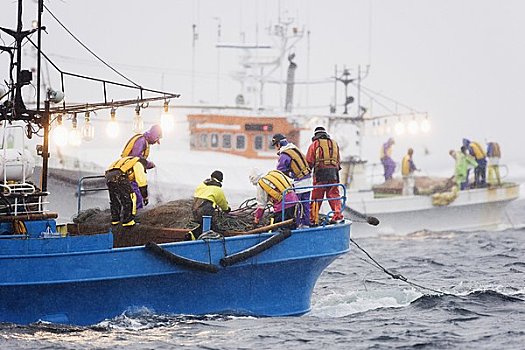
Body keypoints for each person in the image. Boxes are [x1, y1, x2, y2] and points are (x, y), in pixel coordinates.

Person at [271, 133, 312, 228]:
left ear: (278, 144)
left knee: (294, 206)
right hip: (308, 181)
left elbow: (279, 172)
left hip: (298, 183)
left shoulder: (284, 155)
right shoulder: (295, 149)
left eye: (276, 146)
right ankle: (306, 223)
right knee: (305, 204)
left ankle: (296, 225)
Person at [305, 126, 344, 225]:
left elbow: (309, 162)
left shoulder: (314, 145)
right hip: (334, 174)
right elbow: (338, 161)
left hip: (320, 174)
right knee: (334, 195)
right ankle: (337, 216)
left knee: (316, 197)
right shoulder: (334, 144)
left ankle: (313, 218)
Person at [121, 124, 162, 208]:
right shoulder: (141, 140)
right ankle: (136, 217)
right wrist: (149, 164)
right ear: (154, 136)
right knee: (136, 197)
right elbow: (136, 158)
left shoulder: (144, 141)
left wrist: (147, 164)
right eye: (156, 139)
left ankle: (133, 216)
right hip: (128, 173)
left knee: (136, 196)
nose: (155, 143)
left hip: (131, 173)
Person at [105, 156, 149, 227]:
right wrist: (145, 196)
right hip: (120, 176)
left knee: (115, 198)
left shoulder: (128, 161)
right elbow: (142, 182)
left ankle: (115, 219)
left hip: (108, 175)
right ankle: (128, 221)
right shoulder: (138, 163)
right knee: (131, 197)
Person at [191, 170, 231, 238]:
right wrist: (227, 209)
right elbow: (223, 204)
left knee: (201, 226)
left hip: (195, 210)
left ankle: (191, 236)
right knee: (214, 229)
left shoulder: (202, 185)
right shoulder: (218, 189)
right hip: (206, 212)